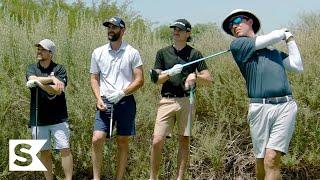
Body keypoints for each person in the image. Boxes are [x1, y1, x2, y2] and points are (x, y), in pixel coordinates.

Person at [221, 9, 303, 180]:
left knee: (271, 159)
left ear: (250, 21)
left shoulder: (273, 51)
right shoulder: (238, 45)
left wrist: (290, 38)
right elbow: (272, 37)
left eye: (237, 21)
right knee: (261, 163)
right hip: (260, 108)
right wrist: (283, 32)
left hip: (285, 106)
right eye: (230, 26)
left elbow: (297, 66)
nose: (234, 26)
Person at [150, 19, 212, 180]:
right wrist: (169, 72)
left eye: (180, 29)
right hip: (167, 101)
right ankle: (153, 177)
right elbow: (156, 79)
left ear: (188, 33)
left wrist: (196, 76)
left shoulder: (194, 54)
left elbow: (209, 79)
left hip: (187, 101)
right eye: (174, 29)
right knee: (157, 140)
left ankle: (179, 178)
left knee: (184, 140)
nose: (175, 32)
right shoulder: (162, 53)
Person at [90, 16, 144, 180]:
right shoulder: (98, 52)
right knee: (97, 138)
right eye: (109, 27)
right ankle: (97, 178)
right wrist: (98, 98)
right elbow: (94, 78)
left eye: (114, 27)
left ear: (123, 30)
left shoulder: (132, 52)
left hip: (125, 101)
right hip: (105, 102)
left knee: (122, 141)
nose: (110, 30)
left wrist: (122, 92)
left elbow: (140, 79)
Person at [26, 39, 73, 180]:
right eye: (38, 49)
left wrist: (39, 83)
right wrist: (52, 79)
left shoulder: (60, 69)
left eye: (43, 49)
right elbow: (31, 79)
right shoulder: (32, 68)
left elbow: (57, 91)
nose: (39, 51)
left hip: (59, 117)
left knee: (65, 150)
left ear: (50, 53)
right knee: (44, 152)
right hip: (38, 119)